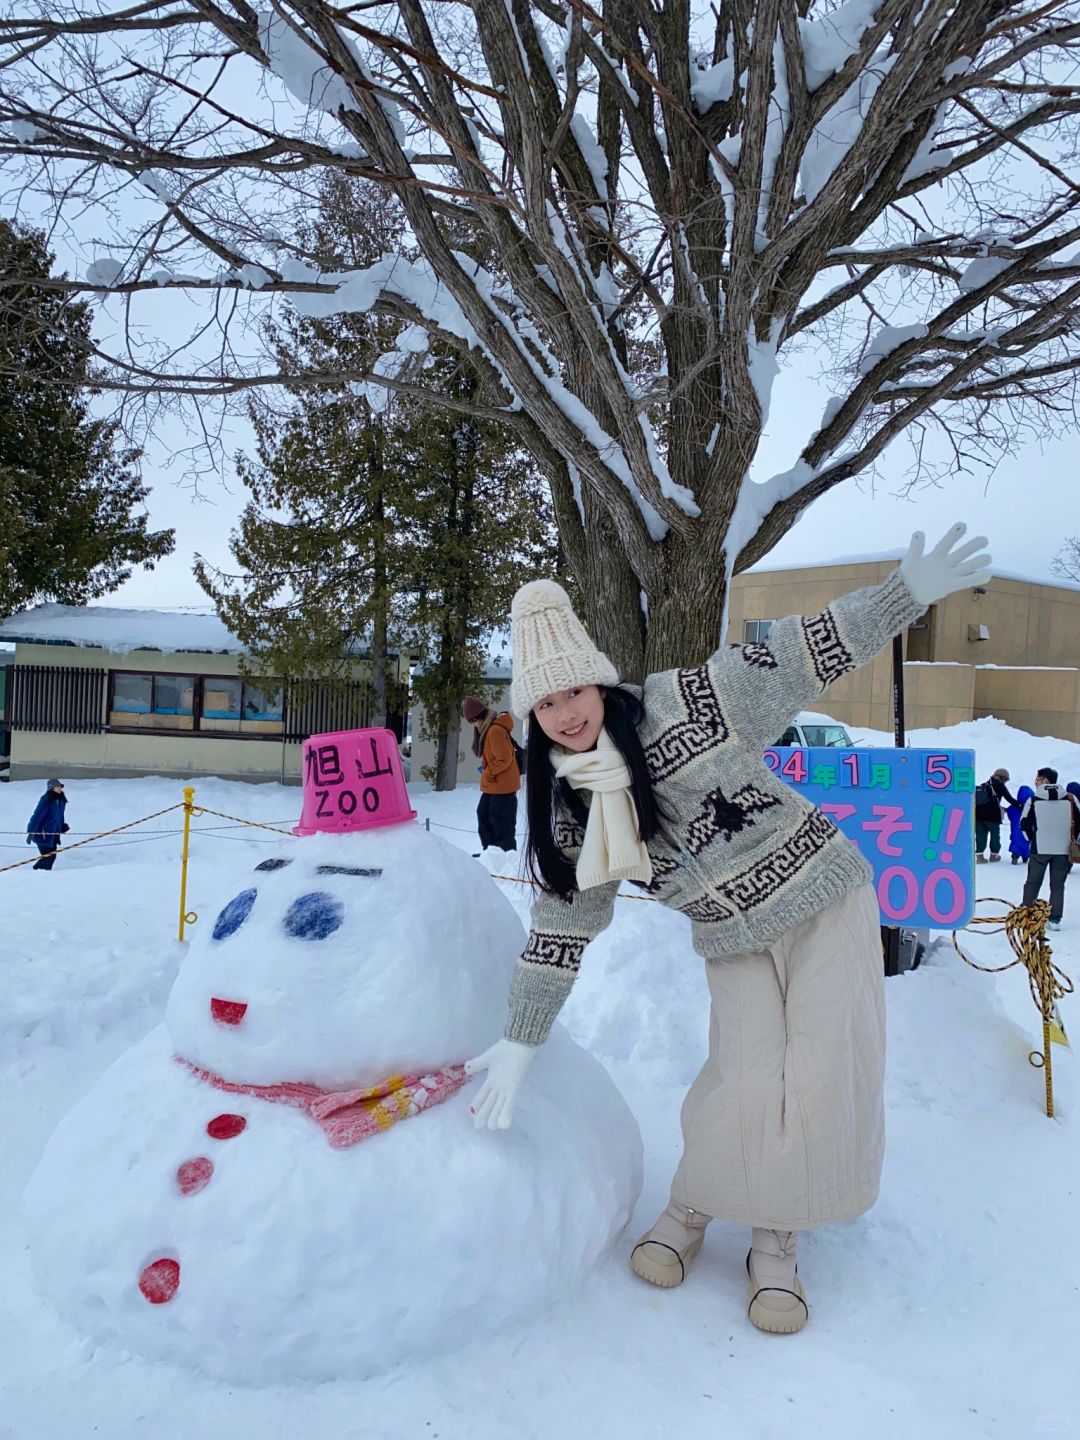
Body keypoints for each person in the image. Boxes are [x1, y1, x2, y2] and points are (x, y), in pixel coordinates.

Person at [466, 523, 991, 1336]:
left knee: (816, 1077)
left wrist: (903, 594)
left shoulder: (691, 701)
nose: (565, 713)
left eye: (573, 691)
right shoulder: (570, 805)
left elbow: (800, 652)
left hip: (824, 899)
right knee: (742, 1079)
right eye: (545, 701)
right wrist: (520, 1036)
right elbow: (563, 925)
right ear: (529, 714)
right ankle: (693, 1203)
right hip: (732, 935)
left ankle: (775, 1243)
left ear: (598, 683)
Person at [1020, 768, 1080, 931]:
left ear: (1045, 780)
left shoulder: (1034, 799)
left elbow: (1024, 824)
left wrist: (1032, 839)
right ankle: (1055, 919)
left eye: (1038, 779)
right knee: (1058, 885)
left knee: (1033, 882)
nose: (1036, 781)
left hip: (1040, 848)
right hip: (1063, 849)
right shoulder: (1070, 798)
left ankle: (1027, 913)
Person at [462, 696, 521, 855]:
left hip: (502, 786)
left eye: (471, 721)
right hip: (495, 785)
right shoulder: (489, 729)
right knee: (484, 815)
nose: (472, 725)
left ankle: (505, 856)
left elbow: (504, 758)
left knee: (500, 823)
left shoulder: (494, 730)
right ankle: (490, 853)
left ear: (476, 718)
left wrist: (488, 772)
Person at [974, 767, 1017, 863]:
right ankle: (994, 856)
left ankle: (979, 857)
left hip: (978, 815)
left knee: (980, 835)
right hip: (992, 816)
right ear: (1002, 778)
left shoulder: (984, 785)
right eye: (1005, 780)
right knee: (994, 836)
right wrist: (1021, 805)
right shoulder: (999, 785)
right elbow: (1010, 799)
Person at [26, 778, 70, 871]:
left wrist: (61, 827)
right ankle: (37, 871)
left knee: (52, 856)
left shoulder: (61, 801)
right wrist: (31, 831)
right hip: (43, 834)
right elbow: (37, 816)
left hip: (53, 834)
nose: (59, 788)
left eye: (60, 786)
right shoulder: (46, 800)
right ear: (51, 788)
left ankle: (44, 874)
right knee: (48, 857)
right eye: (57, 786)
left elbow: (59, 817)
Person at [1007, 784, 1034, 865]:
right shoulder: (1032, 806)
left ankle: (1015, 856)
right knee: (1027, 843)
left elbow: (1010, 815)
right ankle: (1025, 857)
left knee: (1016, 844)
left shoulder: (1014, 807)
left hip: (1016, 831)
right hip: (1027, 830)